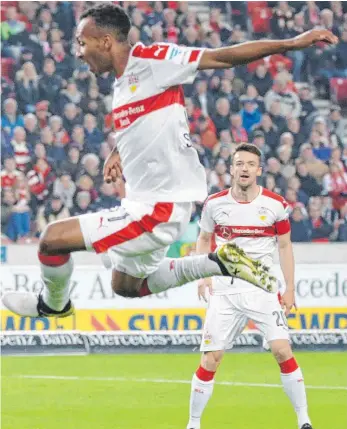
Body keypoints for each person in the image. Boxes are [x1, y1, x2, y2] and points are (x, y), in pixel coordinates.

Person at [2, 3, 337, 319]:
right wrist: (120, 151)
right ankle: (218, 263)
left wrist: (290, 44)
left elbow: (221, 57)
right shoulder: (122, 85)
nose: (78, 52)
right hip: (155, 205)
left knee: (51, 239)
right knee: (126, 286)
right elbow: (148, 121)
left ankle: (53, 305)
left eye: (81, 42)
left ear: (105, 41)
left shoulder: (152, 59)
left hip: (157, 209)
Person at [184, 143, 316, 429]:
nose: (244, 168)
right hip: (225, 290)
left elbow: (284, 246)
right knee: (210, 359)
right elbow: (204, 240)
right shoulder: (214, 204)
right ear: (231, 169)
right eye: (239, 163)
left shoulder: (275, 205)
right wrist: (203, 277)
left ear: (259, 170)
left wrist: (290, 288)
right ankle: (193, 426)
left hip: (263, 288)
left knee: (282, 351)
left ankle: (304, 422)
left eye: (250, 164)